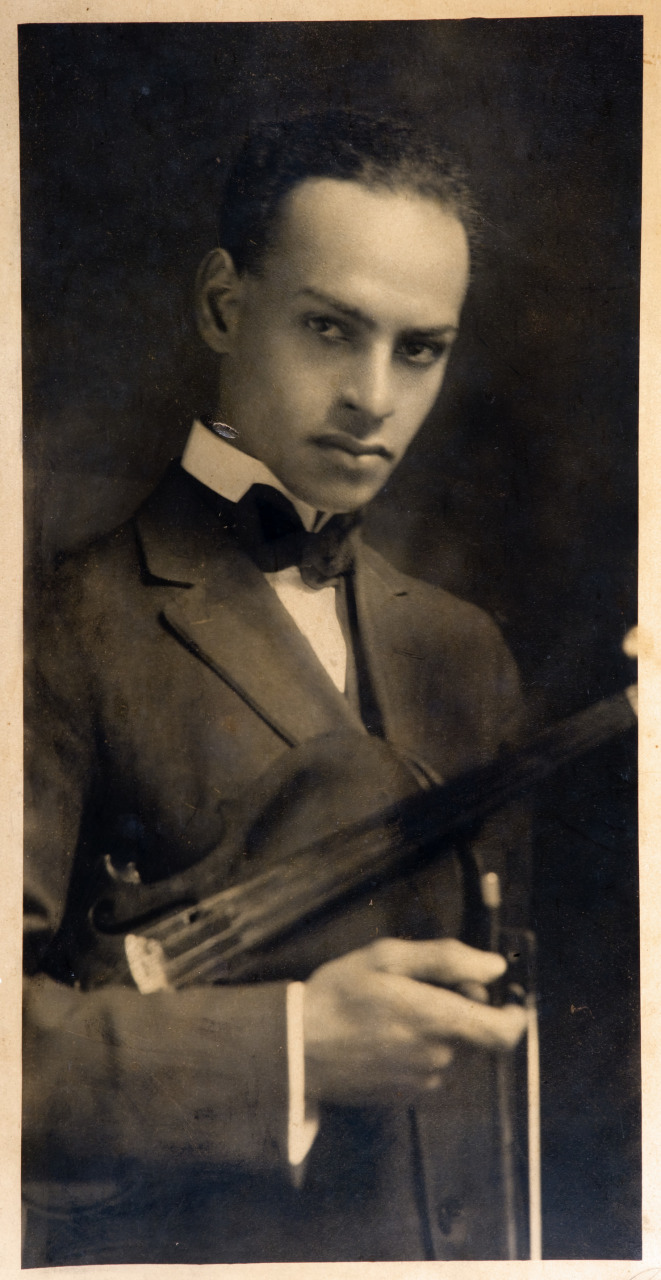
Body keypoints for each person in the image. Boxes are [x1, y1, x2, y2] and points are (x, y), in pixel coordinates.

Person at [23, 111, 531, 1266]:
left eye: (420, 349)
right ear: (221, 305)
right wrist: (292, 1043)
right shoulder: (55, 627)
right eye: (328, 328)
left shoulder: (465, 648)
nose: (373, 396)